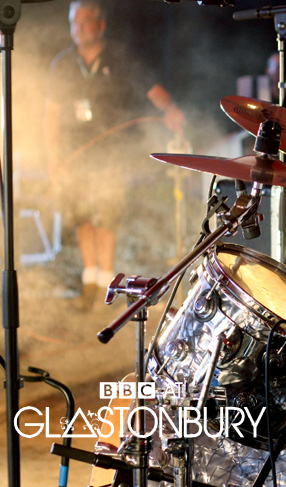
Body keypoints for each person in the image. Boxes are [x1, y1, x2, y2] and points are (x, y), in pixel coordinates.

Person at [44, 0, 185, 311]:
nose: (78, 29)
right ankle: (89, 282)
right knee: (81, 216)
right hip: (74, 153)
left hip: (111, 151)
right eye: (74, 23)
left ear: (101, 25)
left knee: (107, 215)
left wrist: (170, 108)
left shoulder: (119, 57)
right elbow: (51, 112)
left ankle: (107, 282)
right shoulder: (62, 64)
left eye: (84, 22)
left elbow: (149, 86)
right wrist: (52, 155)